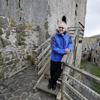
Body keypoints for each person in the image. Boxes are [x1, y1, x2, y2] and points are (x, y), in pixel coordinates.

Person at [48, 22, 72, 90]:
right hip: (54, 59)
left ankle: (51, 82)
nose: (60, 29)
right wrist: (64, 51)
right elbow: (53, 48)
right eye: (59, 27)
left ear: (65, 29)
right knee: (52, 73)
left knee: (58, 74)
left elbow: (70, 43)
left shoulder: (68, 36)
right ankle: (52, 83)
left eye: (62, 27)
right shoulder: (54, 36)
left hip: (62, 60)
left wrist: (69, 49)